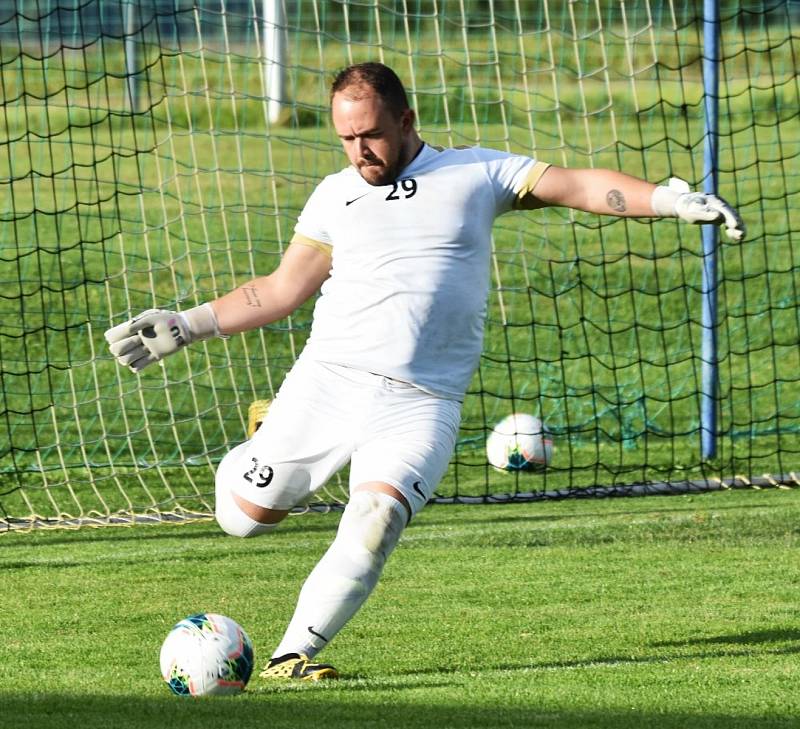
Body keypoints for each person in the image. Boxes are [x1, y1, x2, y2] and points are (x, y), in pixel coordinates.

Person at [105, 62, 744, 681]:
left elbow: (576, 186)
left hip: (421, 402)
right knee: (243, 518)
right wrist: (186, 324)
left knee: (376, 520)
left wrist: (668, 200)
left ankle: (290, 656)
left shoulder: (476, 172)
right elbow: (280, 289)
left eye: (371, 134)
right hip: (328, 381)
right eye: (347, 139)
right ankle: (263, 437)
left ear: (407, 119)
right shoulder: (335, 195)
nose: (361, 151)